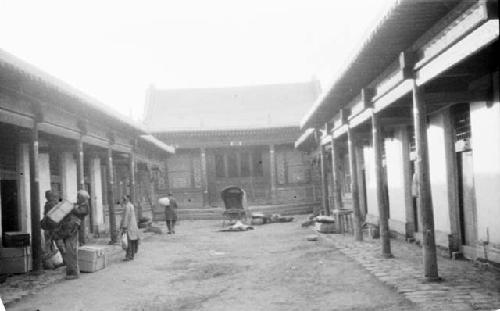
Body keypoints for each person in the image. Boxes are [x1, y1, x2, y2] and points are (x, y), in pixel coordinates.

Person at [53, 190, 89, 280]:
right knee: (68, 250)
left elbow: (78, 212)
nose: (77, 198)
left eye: (78, 197)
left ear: (82, 198)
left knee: (71, 250)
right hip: (69, 228)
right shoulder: (79, 205)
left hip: (72, 228)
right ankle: (70, 272)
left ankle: (74, 273)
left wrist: (71, 206)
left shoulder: (85, 206)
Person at [120, 195, 140, 261]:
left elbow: (126, 217)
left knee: (128, 241)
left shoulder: (127, 207)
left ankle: (129, 256)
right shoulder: (131, 205)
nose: (121, 202)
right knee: (132, 241)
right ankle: (132, 255)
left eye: (122, 200)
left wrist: (124, 226)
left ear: (124, 200)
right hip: (133, 226)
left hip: (129, 226)